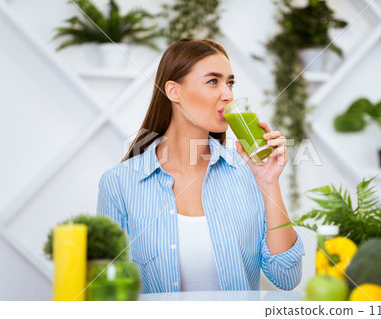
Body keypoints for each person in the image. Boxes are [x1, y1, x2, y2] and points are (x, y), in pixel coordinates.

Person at [97, 38, 305, 294]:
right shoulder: (119, 183)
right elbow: (108, 292)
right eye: (213, 81)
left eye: (230, 83)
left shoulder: (248, 174)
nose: (228, 95)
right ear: (174, 92)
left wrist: (269, 184)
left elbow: (287, 277)